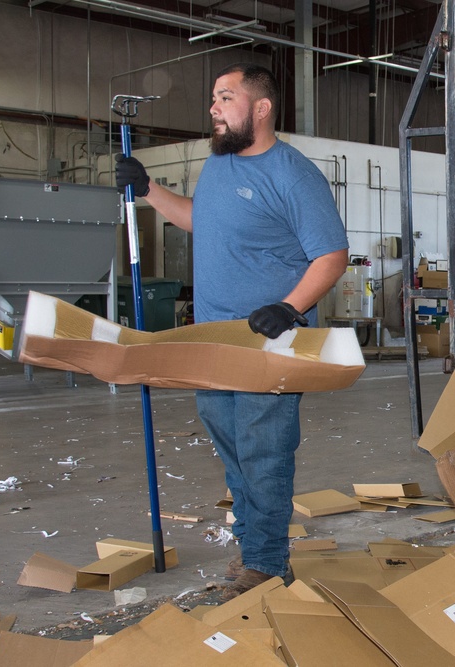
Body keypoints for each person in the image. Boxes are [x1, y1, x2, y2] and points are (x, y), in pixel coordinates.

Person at [115, 63, 349, 600]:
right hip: (213, 338)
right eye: (214, 98)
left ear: (260, 108)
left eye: (225, 97)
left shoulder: (293, 174)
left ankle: (267, 565)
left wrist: (289, 308)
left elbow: (331, 256)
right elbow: (203, 219)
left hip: (269, 341)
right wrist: (148, 189)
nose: (214, 108)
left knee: (264, 452)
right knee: (233, 450)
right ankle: (252, 548)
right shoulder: (217, 166)